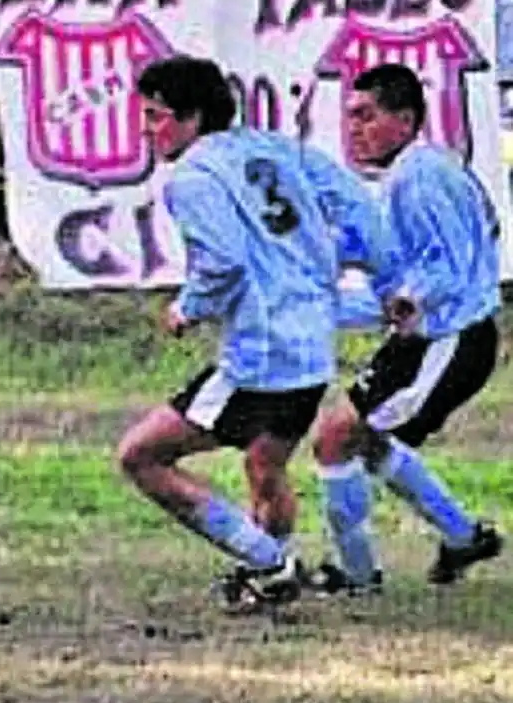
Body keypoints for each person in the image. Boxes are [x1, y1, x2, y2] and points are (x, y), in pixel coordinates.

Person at [117, 54, 369, 609]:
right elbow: (347, 200)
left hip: (263, 354)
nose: (145, 128)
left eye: (156, 116)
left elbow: (223, 262)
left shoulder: (192, 178)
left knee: (141, 456)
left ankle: (270, 560)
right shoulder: (272, 147)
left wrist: (188, 307)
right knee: (265, 466)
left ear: (193, 118)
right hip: (311, 348)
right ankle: (269, 578)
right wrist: (369, 263)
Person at [309, 63, 503, 598]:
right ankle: (463, 538)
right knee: (354, 438)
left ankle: (356, 574)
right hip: (428, 338)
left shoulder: (420, 177)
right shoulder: (413, 174)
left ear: (406, 119)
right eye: (350, 117)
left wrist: (409, 297)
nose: (354, 129)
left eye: (367, 116)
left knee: (337, 439)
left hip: (452, 339)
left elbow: (446, 262)